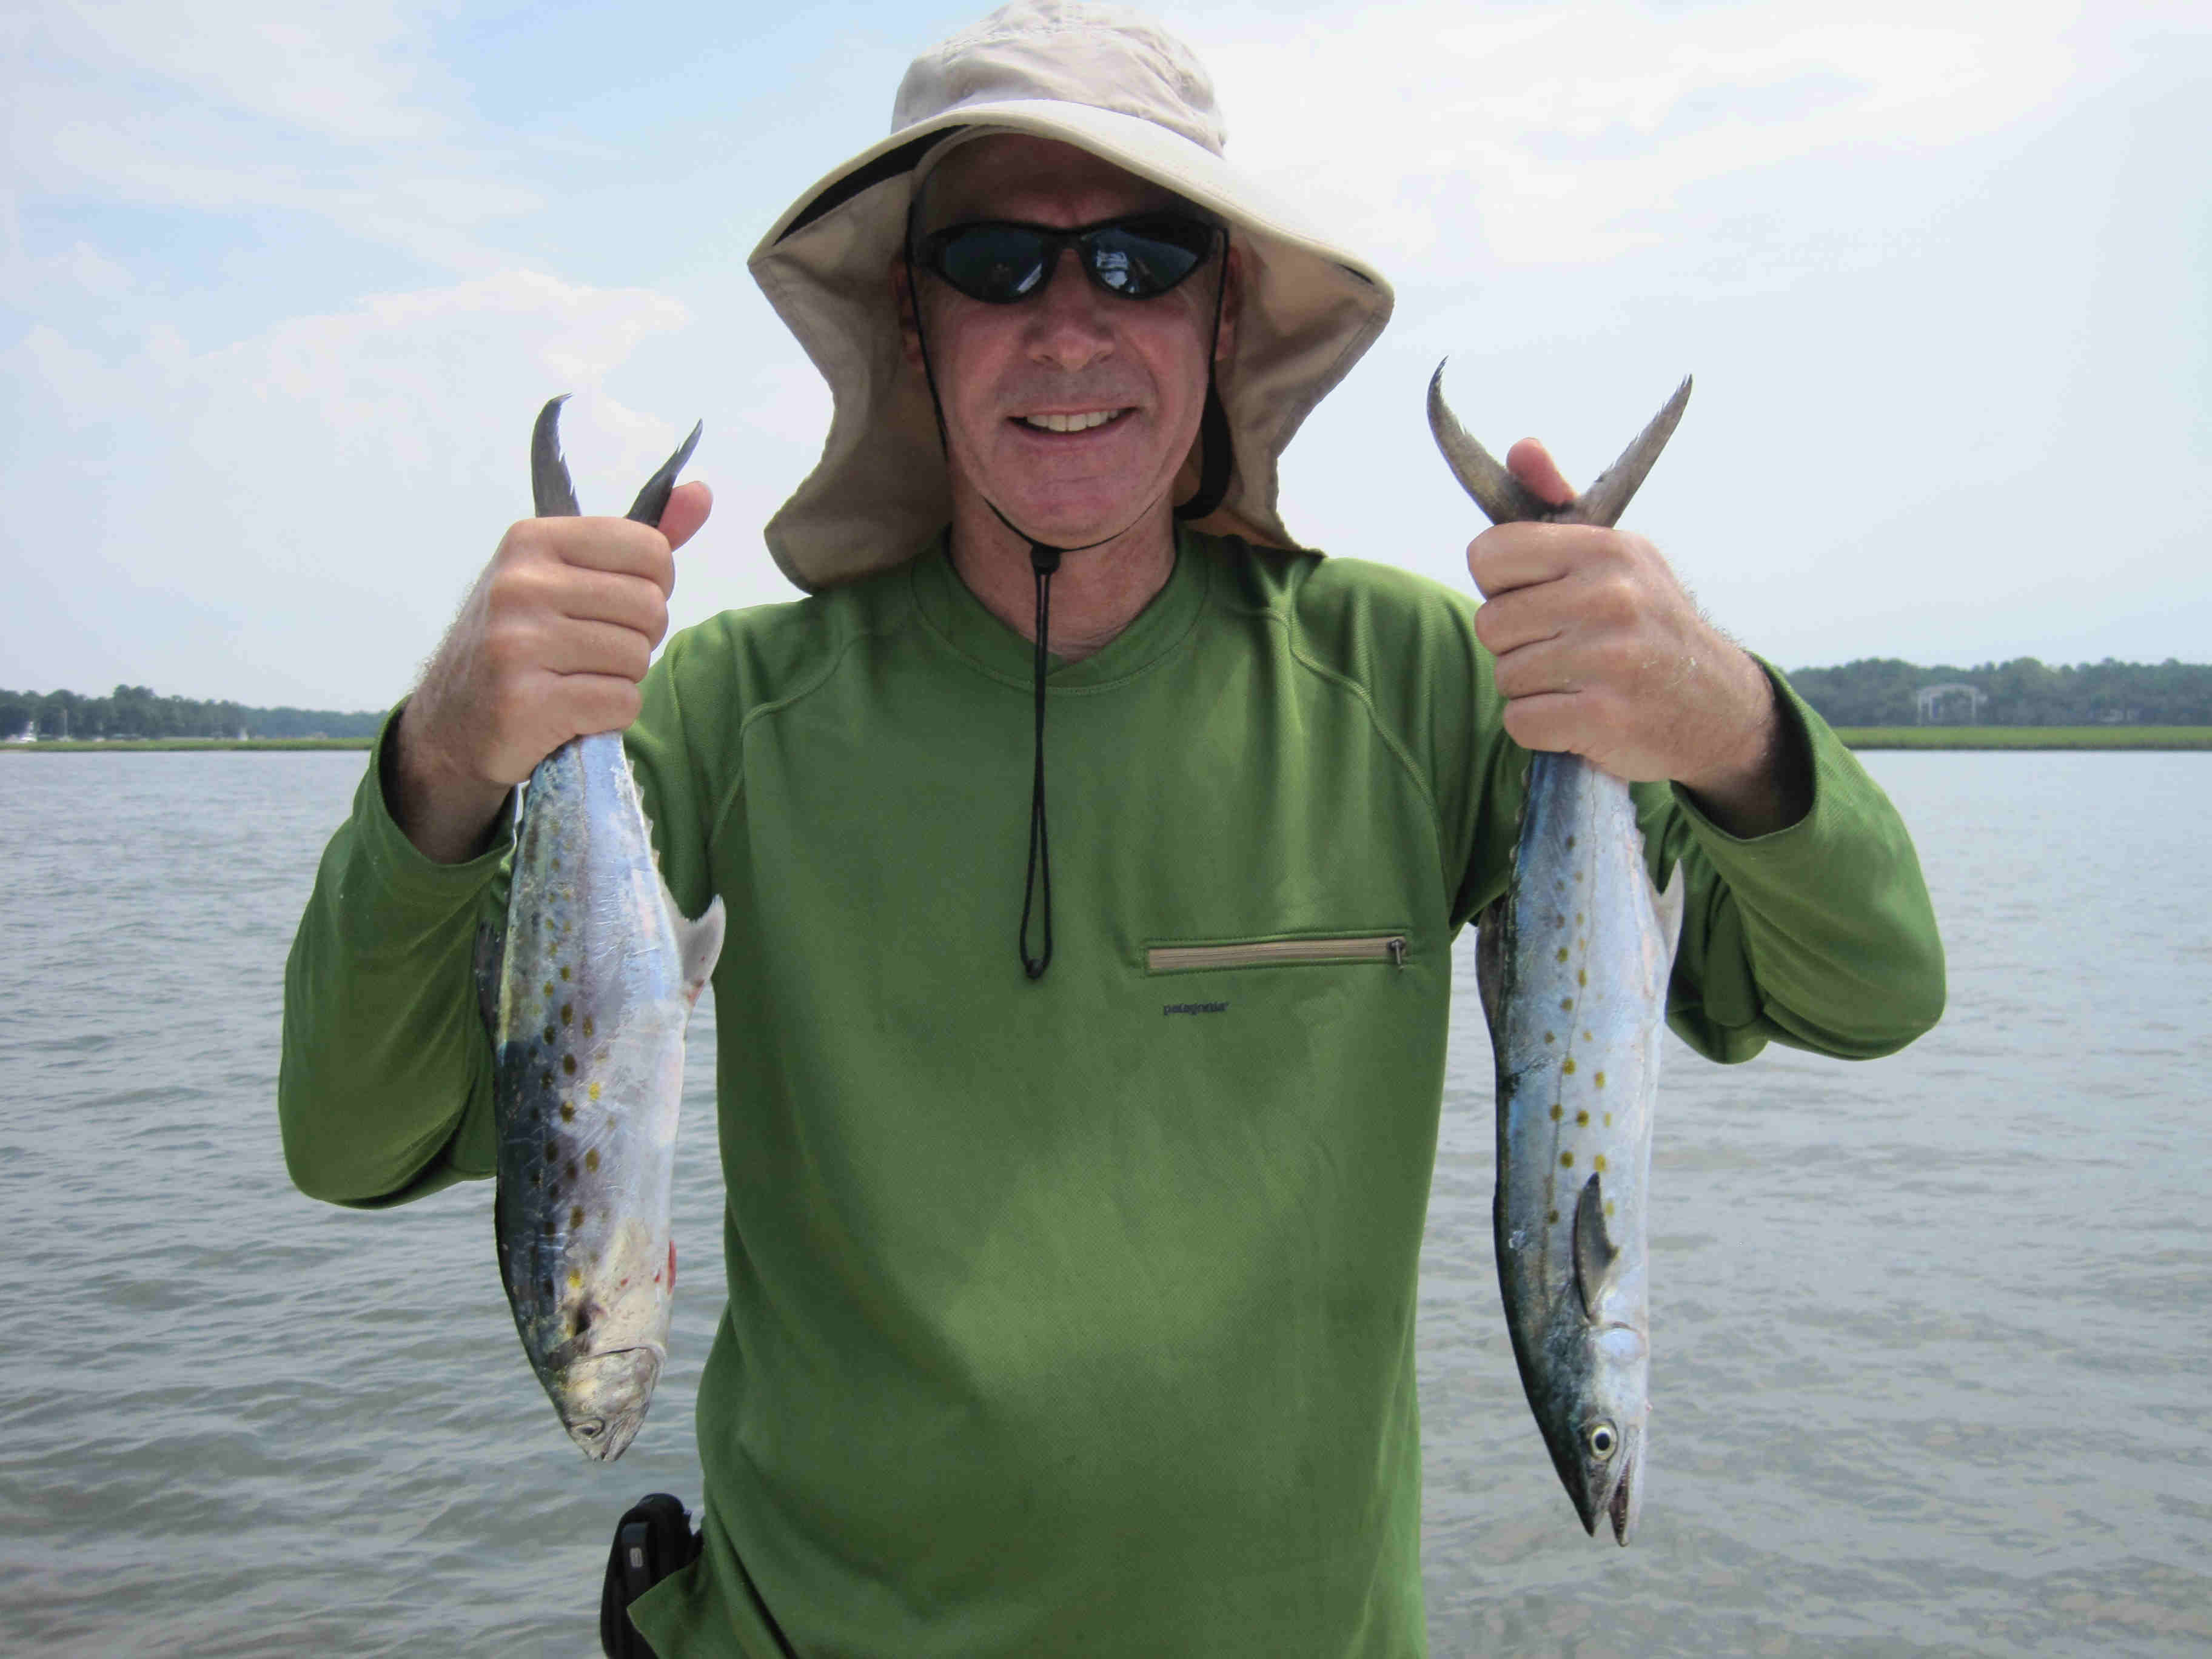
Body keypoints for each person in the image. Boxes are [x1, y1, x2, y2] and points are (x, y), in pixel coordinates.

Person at [278, 4, 1945, 1654]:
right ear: (909, 330)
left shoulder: (1429, 684)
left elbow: (1866, 988)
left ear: (1225, 319)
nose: (1071, 325)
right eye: (998, 262)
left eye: (1142, 259)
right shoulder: (712, 720)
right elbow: (355, 1141)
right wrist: (443, 754)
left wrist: (1725, 714)